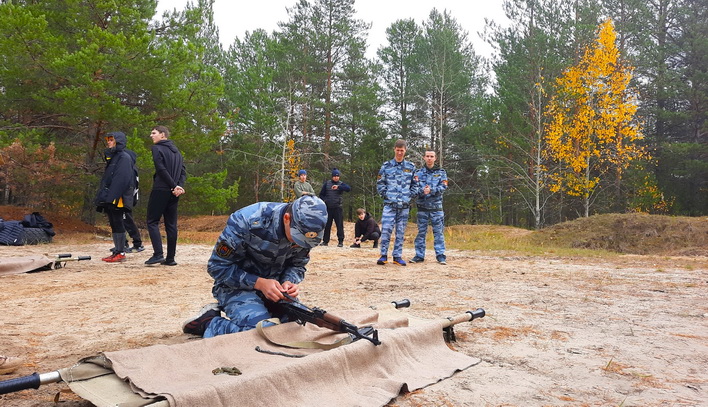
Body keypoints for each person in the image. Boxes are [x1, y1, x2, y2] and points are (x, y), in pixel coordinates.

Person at [181, 195, 328, 338]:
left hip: (276, 291)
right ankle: (209, 323)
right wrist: (259, 283)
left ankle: (264, 311)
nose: (299, 244)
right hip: (236, 287)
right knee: (262, 332)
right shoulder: (247, 220)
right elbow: (217, 267)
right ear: (287, 219)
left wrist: (289, 282)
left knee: (297, 326)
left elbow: (298, 265)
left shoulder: (306, 233)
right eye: (297, 238)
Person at [145, 125, 186, 266]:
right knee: (171, 225)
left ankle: (158, 254)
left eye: (153, 133)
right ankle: (170, 258)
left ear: (163, 135)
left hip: (161, 189)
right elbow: (183, 172)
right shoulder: (177, 152)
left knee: (152, 221)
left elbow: (160, 169)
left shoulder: (157, 148)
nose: (151, 135)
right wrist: (178, 186)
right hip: (174, 192)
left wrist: (174, 186)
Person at [376, 139, 417, 266]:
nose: (400, 153)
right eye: (398, 150)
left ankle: (397, 256)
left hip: (404, 206)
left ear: (405, 151)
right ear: (394, 149)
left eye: (402, 150)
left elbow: (416, 185)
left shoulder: (410, 167)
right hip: (390, 205)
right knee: (386, 230)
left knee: (400, 232)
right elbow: (380, 184)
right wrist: (386, 195)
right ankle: (383, 255)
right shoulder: (386, 166)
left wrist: (409, 196)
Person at [95, 132, 136, 263]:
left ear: (118, 141)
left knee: (118, 223)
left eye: (111, 140)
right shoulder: (114, 157)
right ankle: (117, 251)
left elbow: (122, 179)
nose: (108, 142)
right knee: (113, 223)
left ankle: (121, 252)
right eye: (108, 140)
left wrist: (112, 197)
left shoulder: (124, 157)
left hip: (118, 197)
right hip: (111, 196)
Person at [410, 150, 448, 265]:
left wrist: (432, 190)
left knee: (438, 233)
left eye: (432, 156)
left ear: (435, 158)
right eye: (427, 156)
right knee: (421, 233)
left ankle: (440, 255)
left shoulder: (441, 172)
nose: (429, 158)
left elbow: (444, 186)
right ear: (424, 158)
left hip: (436, 208)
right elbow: (414, 188)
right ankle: (419, 255)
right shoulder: (418, 173)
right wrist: (423, 191)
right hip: (422, 208)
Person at [318, 168, 351, 247]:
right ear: (332, 177)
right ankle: (325, 241)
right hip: (328, 208)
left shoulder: (341, 184)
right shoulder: (327, 184)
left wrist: (339, 187)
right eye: (335, 176)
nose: (336, 177)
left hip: (337, 208)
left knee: (339, 225)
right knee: (327, 225)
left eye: (337, 176)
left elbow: (348, 189)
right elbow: (321, 194)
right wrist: (325, 200)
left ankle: (340, 241)